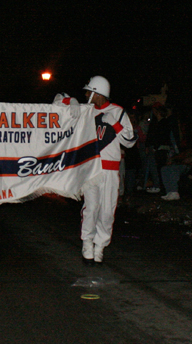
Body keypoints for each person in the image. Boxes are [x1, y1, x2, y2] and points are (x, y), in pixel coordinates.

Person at [56, 75, 137, 264]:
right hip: (91, 167)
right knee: (91, 207)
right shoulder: (86, 110)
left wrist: (115, 125)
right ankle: (87, 243)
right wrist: (71, 101)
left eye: (89, 92)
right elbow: (57, 102)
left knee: (107, 211)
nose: (86, 95)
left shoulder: (117, 111)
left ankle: (100, 246)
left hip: (110, 170)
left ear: (98, 93)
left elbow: (130, 141)